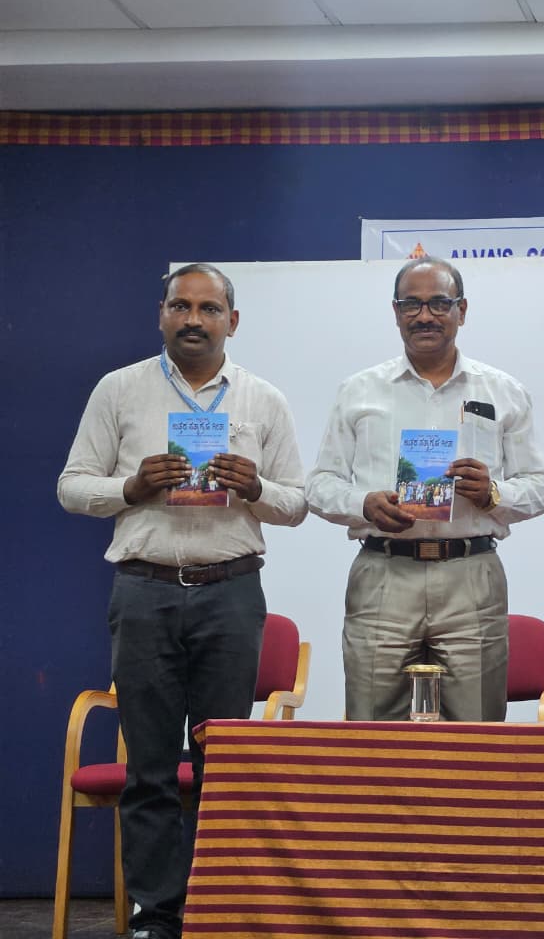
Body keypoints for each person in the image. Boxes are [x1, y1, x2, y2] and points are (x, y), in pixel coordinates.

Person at [57, 263, 307, 939]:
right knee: (150, 766)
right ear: (162, 314)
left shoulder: (263, 399)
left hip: (231, 593)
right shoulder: (119, 390)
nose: (194, 319)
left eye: (208, 308)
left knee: (221, 764)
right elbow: (72, 486)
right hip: (146, 590)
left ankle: (217, 906)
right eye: (181, 306)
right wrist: (130, 488)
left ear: (233, 321)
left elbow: (297, 503)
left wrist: (257, 488)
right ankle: (156, 915)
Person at [306, 256, 544, 722]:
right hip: (383, 571)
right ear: (395, 312)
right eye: (411, 304)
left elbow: (540, 486)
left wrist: (493, 494)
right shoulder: (359, 390)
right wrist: (364, 504)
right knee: (373, 724)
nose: (425, 316)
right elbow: (319, 486)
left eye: (439, 303)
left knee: (476, 728)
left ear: (462, 310)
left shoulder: (502, 390)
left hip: (471, 573)